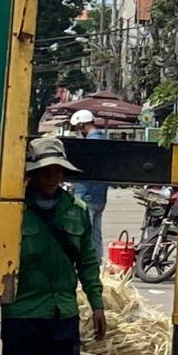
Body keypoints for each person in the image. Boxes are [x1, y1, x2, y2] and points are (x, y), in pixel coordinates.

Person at [0, 133, 106, 355]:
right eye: (45, 171)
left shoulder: (77, 211)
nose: (52, 177)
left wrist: (97, 305)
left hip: (63, 316)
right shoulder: (11, 213)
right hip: (22, 315)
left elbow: (87, 263)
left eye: (57, 171)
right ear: (31, 174)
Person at [70, 110, 110, 261]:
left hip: (87, 194)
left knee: (82, 233)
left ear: (82, 125)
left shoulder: (89, 144)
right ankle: (98, 264)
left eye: (77, 128)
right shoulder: (104, 140)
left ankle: (83, 264)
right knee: (96, 233)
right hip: (101, 196)